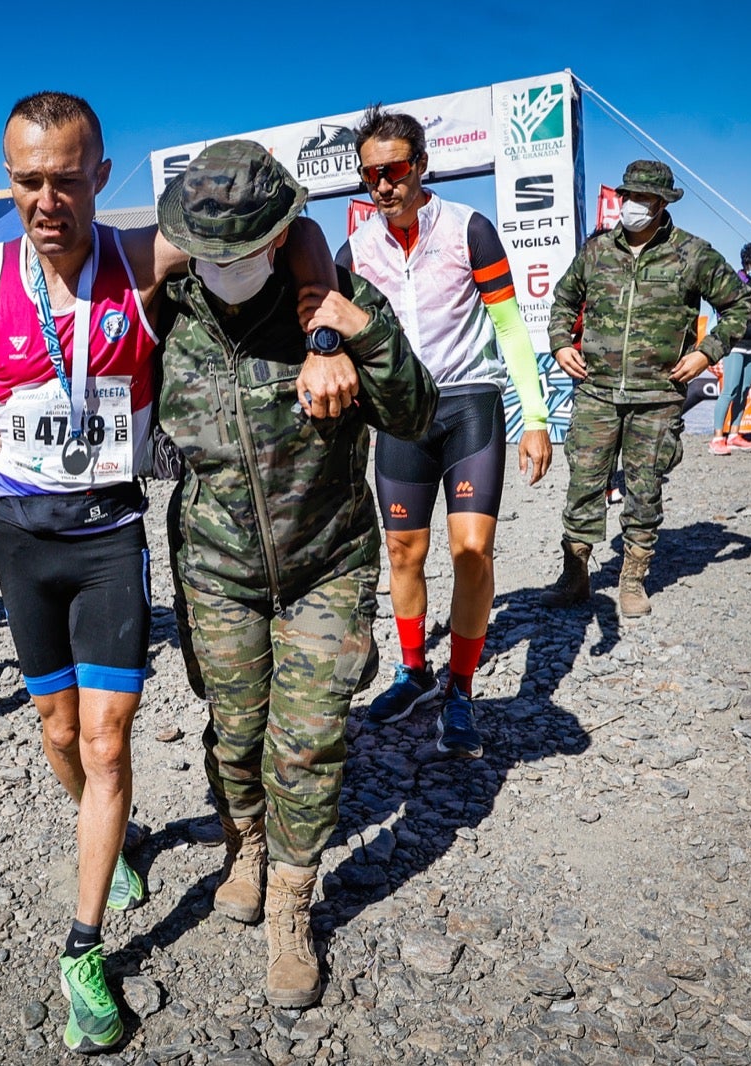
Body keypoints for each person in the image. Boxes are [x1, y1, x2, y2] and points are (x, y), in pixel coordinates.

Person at [0, 92, 346, 1055]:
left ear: (101, 175)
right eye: (29, 181)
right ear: (9, 180)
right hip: (22, 539)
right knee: (59, 734)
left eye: (68, 178)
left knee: (107, 745)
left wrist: (320, 333)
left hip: (111, 532)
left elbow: (298, 228)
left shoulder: (142, 256)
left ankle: (83, 945)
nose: (48, 199)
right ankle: (113, 832)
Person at [157, 140, 436, 1007]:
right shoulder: (166, 316)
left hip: (327, 563)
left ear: (281, 236)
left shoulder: (332, 305)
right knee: (236, 736)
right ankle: (245, 844)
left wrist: (363, 334)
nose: (228, 266)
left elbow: (417, 414)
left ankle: (292, 905)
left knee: (309, 740)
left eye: (246, 247)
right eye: (211, 251)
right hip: (217, 569)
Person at [342, 106, 552, 758]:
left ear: (421, 165)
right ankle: (414, 671)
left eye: (395, 169)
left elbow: (513, 329)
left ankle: (459, 692)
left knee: (471, 551)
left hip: (469, 405)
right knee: (403, 554)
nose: (383, 184)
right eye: (371, 174)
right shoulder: (355, 248)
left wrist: (537, 419)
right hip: (401, 413)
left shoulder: (470, 229)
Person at [541, 161, 751, 616]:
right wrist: (560, 343)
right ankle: (574, 575)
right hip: (596, 391)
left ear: (661, 204)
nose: (633, 206)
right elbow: (563, 300)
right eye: (628, 196)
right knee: (584, 482)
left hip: (657, 396)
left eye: (644, 199)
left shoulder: (692, 254)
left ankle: (633, 577)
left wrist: (706, 352)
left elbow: (739, 304)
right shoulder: (597, 252)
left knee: (644, 486)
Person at [709, 241, 751, 455]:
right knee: (730, 390)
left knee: (745, 390)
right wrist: (750, 306)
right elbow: (724, 310)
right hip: (736, 344)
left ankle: (735, 433)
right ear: (747, 262)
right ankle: (718, 437)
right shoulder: (734, 280)